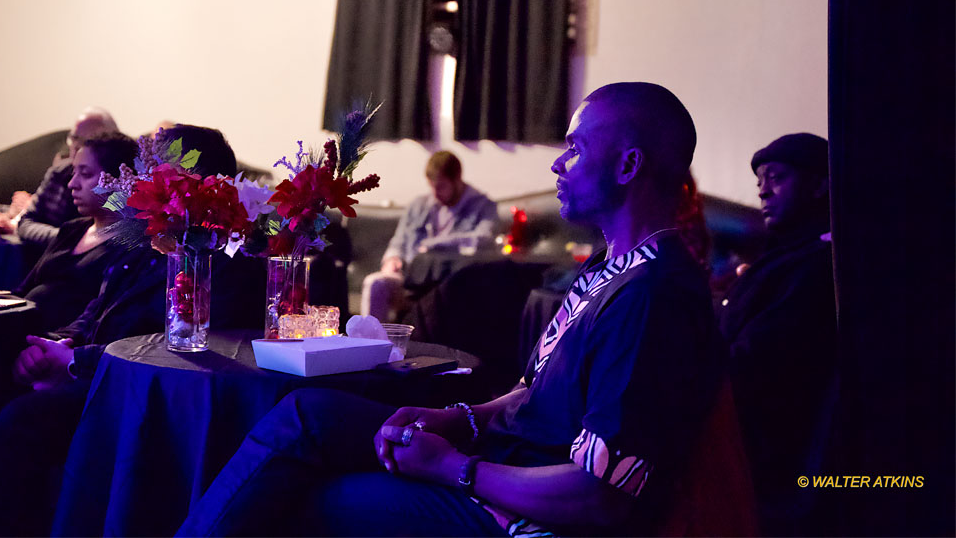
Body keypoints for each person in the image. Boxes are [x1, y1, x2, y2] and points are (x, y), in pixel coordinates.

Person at [176, 82, 725, 537]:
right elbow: (535, 392)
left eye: (577, 148)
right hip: (502, 458)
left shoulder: (653, 295)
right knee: (308, 415)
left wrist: (454, 467)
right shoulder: (612, 264)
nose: (559, 162)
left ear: (629, 165)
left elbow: (600, 496)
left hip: (524, 514)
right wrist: (457, 418)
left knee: (311, 498)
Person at [0, 125, 264, 536]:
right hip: (98, 368)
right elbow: (96, 309)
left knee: (21, 418)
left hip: (146, 392)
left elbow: (178, 347)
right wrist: (56, 346)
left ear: (190, 180)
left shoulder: (224, 254)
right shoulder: (151, 237)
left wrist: (73, 364)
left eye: (152, 169)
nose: (140, 179)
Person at [714, 132, 836, 535]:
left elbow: (756, 365)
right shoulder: (782, 255)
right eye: (759, 180)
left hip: (763, 455)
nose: (763, 191)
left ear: (819, 184)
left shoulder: (818, 264)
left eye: (777, 177)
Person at [14, 132, 138, 332]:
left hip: (60, 349)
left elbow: (103, 322)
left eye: (86, 174)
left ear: (119, 180)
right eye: (74, 173)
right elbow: (23, 291)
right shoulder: (72, 229)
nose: (72, 184)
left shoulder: (133, 246)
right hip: (21, 331)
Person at [361, 151, 497, 321]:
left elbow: (485, 238)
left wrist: (435, 244)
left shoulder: (483, 206)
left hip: (449, 282)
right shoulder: (419, 205)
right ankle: (369, 343)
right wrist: (392, 258)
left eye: (440, 186)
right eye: (431, 186)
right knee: (375, 283)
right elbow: (398, 240)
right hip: (410, 279)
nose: (434, 193)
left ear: (457, 180)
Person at [0, 107, 118, 246]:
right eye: (74, 138)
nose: (77, 146)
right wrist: (67, 238)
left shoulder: (117, 182)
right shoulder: (59, 173)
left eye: (88, 141)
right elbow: (25, 223)